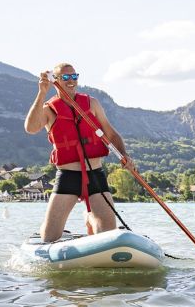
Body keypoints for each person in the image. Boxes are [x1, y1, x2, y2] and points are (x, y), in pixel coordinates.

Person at [24, 62, 135, 242]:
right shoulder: (49, 110)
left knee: (106, 233)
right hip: (68, 176)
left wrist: (124, 155)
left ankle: (90, 216)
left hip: (95, 175)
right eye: (65, 77)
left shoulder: (92, 104)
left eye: (74, 76)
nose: (71, 81)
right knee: (49, 237)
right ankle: (83, 219)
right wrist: (42, 92)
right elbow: (30, 128)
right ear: (56, 81)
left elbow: (111, 133)